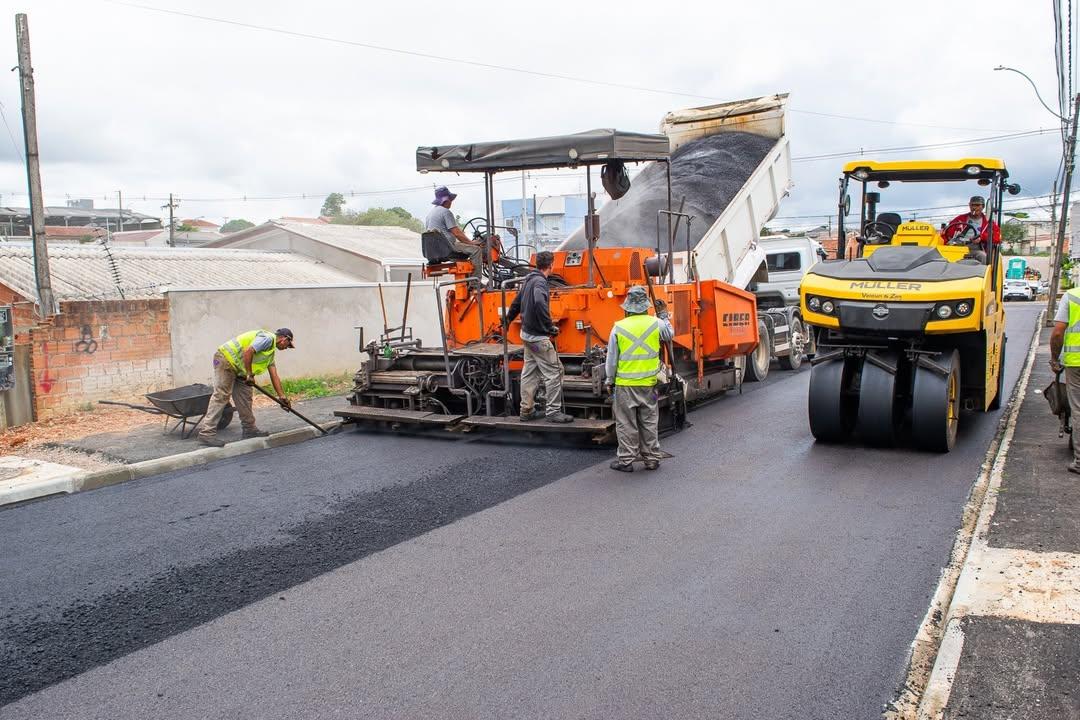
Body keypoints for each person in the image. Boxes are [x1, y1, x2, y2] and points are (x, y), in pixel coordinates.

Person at [604, 285, 674, 472]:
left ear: (627, 307)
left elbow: (611, 359)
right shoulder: (655, 323)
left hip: (625, 386)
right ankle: (651, 459)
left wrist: (609, 380)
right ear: (646, 306)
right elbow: (670, 334)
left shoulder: (618, 327)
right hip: (649, 386)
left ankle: (626, 461)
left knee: (626, 423)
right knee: (649, 421)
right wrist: (664, 315)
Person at [504, 250, 573, 424]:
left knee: (529, 371)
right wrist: (549, 327)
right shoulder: (541, 283)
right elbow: (540, 302)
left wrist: (507, 319)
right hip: (537, 338)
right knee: (556, 371)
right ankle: (553, 411)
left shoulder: (528, 280)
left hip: (526, 335)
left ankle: (526, 410)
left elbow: (517, 302)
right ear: (551, 265)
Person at [197, 328, 294, 447]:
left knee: (245, 396)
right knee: (222, 395)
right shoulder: (268, 339)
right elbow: (249, 351)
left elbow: (274, 376)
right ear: (284, 339)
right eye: (288, 345)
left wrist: (282, 397)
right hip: (226, 359)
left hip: (240, 369)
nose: (286, 348)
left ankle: (249, 429)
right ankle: (206, 433)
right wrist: (249, 374)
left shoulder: (270, 354)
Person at [424, 186, 485, 283]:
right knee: (476, 250)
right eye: (450, 200)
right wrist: (471, 243)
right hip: (447, 248)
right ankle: (475, 283)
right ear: (446, 200)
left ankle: (467, 282)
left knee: (465, 256)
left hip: (434, 252)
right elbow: (457, 233)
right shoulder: (445, 212)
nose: (451, 202)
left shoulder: (430, 214)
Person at [1050, 287, 1080, 473]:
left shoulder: (1072, 296)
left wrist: (1054, 358)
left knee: (1078, 409)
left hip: (1076, 363)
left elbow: (1058, 332)